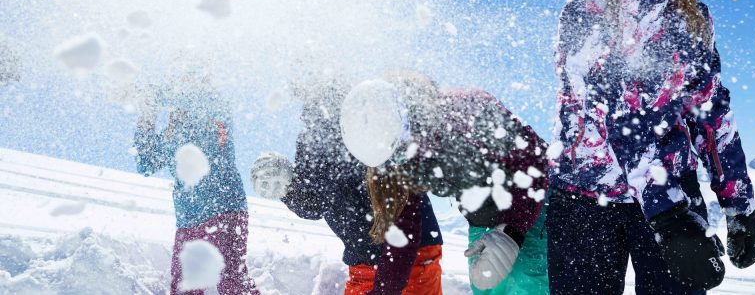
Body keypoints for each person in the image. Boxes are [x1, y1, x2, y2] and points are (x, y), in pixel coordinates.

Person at [547, 0, 755, 294]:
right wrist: (668, 216)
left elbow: (708, 107)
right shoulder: (583, 12)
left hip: (672, 191)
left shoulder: (688, 14)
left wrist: (738, 201)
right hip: (587, 198)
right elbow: (615, 113)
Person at [338, 72, 549, 293]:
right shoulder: (397, 158)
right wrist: (384, 291)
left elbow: (534, 160)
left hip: (533, 204)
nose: (397, 163)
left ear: (407, 120)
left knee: (529, 285)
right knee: (487, 286)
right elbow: (403, 230)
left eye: (399, 153)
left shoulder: (466, 109)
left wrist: (512, 231)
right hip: (482, 220)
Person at [250, 78, 445, 295]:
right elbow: (316, 204)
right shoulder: (309, 138)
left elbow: (402, 199)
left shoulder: (366, 115)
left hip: (409, 252)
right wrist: (288, 188)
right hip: (362, 258)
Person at [133, 70, 260, 295]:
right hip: (187, 220)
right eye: (182, 74)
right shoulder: (171, 134)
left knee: (233, 283)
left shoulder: (214, 106)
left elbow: (192, 98)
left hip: (224, 209)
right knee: (185, 288)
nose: (186, 81)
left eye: (191, 74)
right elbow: (146, 163)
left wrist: (153, 95)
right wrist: (146, 117)